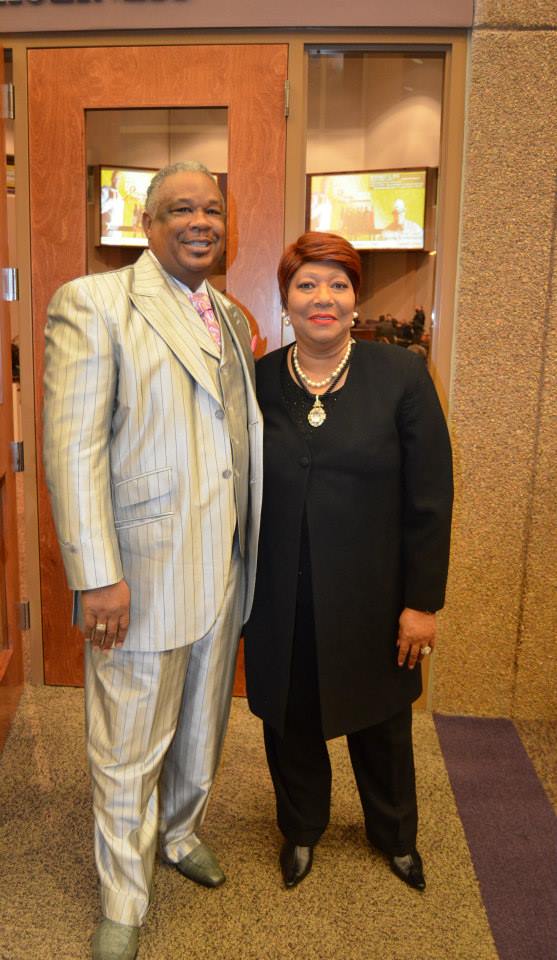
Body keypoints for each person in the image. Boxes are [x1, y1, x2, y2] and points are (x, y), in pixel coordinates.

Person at [43, 160, 263, 960]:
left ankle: (178, 834)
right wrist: (97, 575)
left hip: (223, 567)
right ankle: (122, 902)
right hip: (138, 571)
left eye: (212, 209)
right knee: (127, 746)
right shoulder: (93, 302)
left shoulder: (231, 317)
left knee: (202, 728)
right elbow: (72, 449)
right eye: (179, 209)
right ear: (147, 224)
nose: (200, 222)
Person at [243, 231, 452, 894]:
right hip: (281, 593)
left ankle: (395, 836)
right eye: (306, 284)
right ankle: (301, 828)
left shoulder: (401, 376)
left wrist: (421, 603)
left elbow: (430, 497)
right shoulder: (256, 380)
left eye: (337, 284)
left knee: (382, 723)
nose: (322, 298)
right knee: (290, 720)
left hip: (373, 597)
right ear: (286, 300)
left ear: (355, 299)